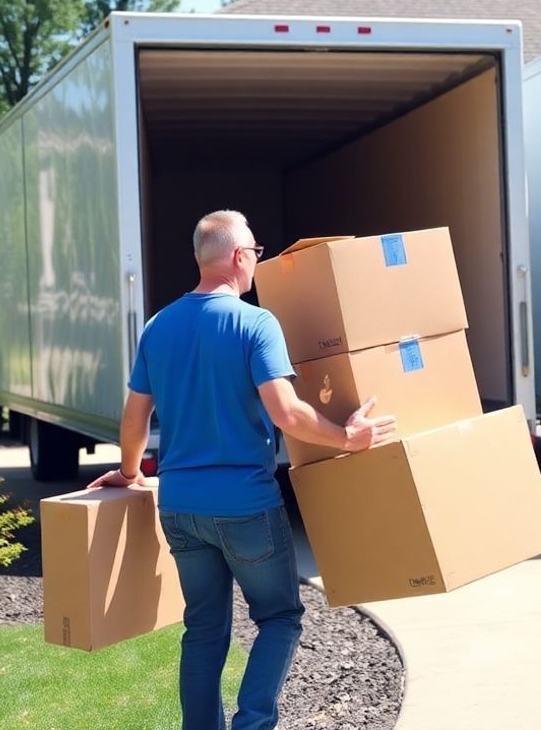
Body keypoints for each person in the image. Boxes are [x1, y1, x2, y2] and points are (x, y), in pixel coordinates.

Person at [90, 210, 396, 730]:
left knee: (204, 629)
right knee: (279, 618)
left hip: (181, 509)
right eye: (255, 251)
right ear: (238, 257)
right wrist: (350, 437)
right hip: (246, 506)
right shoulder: (255, 323)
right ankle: (252, 724)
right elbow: (287, 413)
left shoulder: (158, 327)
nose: (257, 260)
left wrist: (129, 470)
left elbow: (134, 416)